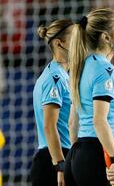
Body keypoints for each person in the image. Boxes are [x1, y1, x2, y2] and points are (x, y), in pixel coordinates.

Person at [65, 8, 114, 186]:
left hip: (78, 154)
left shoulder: (82, 67)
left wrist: (77, 159)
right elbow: (99, 120)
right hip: (99, 154)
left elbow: (72, 123)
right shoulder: (104, 69)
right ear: (106, 37)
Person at [30, 19, 74, 186]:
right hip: (53, 160)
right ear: (59, 43)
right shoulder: (53, 78)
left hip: (60, 156)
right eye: (75, 38)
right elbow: (50, 126)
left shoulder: (63, 76)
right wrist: (60, 166)